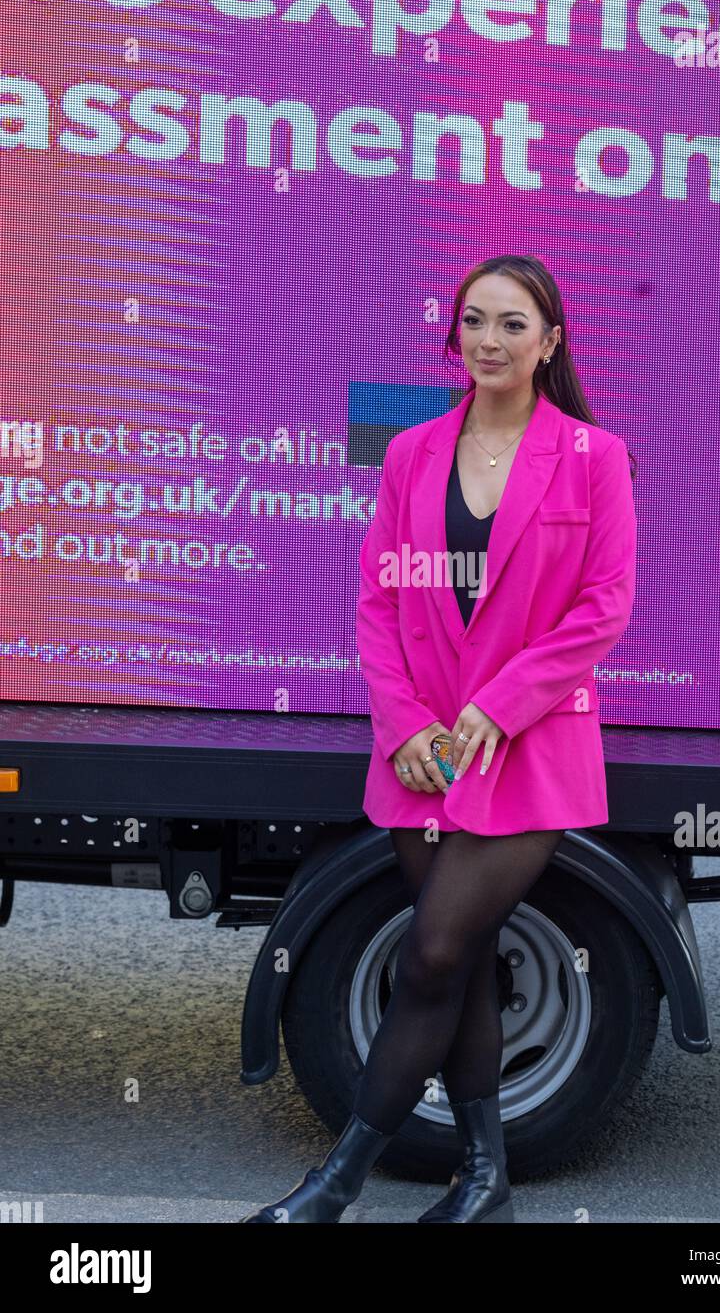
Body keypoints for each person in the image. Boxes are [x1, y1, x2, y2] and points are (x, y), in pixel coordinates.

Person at [242, 253, 638, 1223]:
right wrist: (405, 724)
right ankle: (484, 1179)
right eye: (474, 321)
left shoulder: (593, 456)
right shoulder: (413, 452)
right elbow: (379, 603)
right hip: (422, 754)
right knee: (453, 957)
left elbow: (602, 609)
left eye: (512, 324)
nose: (490, 341)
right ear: (451, 334)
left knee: (428, 953)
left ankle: (332, 1185)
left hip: (528, 751)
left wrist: (498, 706)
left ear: (548, 341)